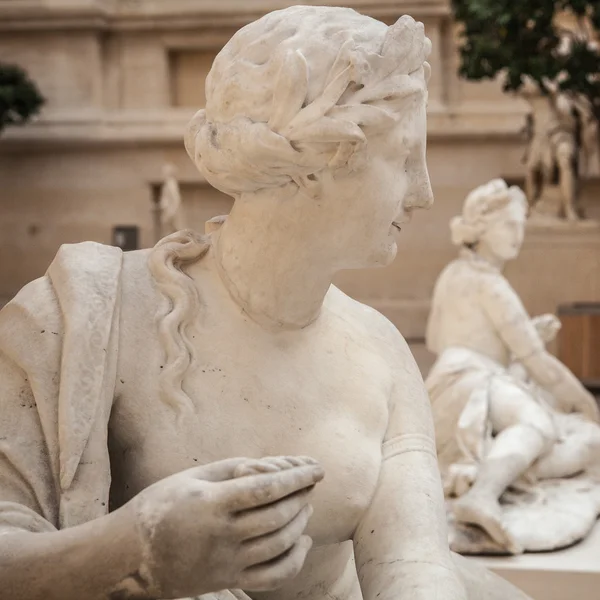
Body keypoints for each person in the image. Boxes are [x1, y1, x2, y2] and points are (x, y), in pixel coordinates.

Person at [0, 8, 529, 600]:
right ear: (315, 165)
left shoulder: (379, 349)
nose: (426, 193)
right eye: (404, 159)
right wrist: (132, 551)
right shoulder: (83, 316)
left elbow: (413, 566)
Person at [426, 178, 600, 555]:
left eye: (522, 225)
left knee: (580, 441)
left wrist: (515, 343)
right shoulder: (492, 286)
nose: (518, 234)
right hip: (475, 382)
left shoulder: (452, 274)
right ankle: (483, 495)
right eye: (508, 225)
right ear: (481, 228)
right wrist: (586, 402)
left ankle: (484, 471)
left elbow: (438, 340)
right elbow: (543, 368)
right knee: (546, 426)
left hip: (442, 389)